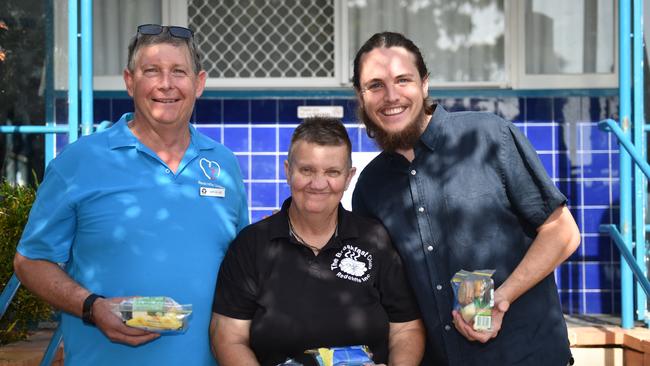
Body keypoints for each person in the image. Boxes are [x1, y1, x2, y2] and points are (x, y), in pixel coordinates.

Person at [13, 24, 248, 365]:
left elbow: (242, 269)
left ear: (198, 83)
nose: (166, 84)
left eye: (178, 72)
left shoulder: (223, 164)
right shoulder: (79, 161)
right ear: (129, 81)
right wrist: (92, 307)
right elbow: (30, 261)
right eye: (152, 71)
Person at [351, 32, 580, 366]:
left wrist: (500, 299)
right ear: (361, 96)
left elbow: (563, 233)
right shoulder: (370, 187)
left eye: (403, 80)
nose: (391, 96)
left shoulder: (488, 136)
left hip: (526, 356)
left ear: (425, 84)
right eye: (375, 85)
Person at [211, 117, 425, 366]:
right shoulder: (251, 245)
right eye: (307, 170)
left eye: (332, 172)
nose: (318, 184)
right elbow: (227, 336)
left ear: (348, 177)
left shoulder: (375, 240)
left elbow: (406, 328)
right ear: (287, 171)